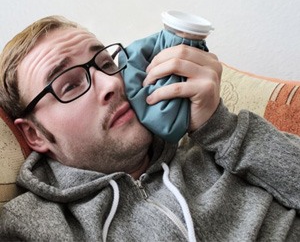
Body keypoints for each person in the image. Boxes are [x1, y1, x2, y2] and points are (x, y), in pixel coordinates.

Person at [0, 16, 299, 242]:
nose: (112, 84)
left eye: (105, 63)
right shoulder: (33, 225)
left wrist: (221, 129)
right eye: (69, 84)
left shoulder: (221, 145)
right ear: (34, 134)